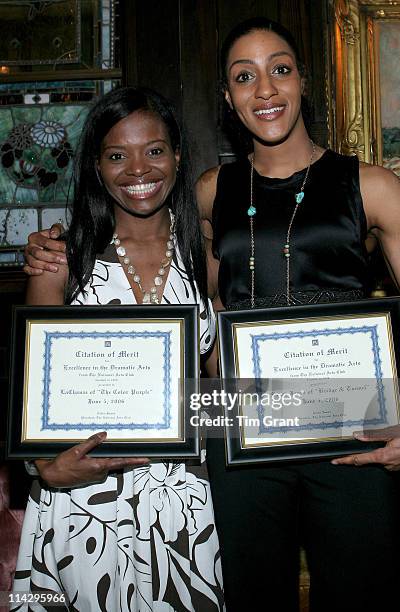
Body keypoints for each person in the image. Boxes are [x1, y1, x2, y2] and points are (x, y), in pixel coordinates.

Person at [22, 17, 400, 611]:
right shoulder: (209, 193)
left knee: (361, 596)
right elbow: (164, 260)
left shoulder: (374, 186)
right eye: (245, 77)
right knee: (250, 595)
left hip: (356, 419)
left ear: (303, 81)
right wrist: (53, 244)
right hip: (241, 430)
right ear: (228, 98)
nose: (265, 90)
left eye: (280, 69)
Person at [14, 86, 223, 612]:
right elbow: (34, 392)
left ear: (177, 155)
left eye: (154, 150)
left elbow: (223, 383)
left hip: (186, 498)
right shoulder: (60, 258)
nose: (138, 169)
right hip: (84, 499)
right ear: (97, 166)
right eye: (116, 155)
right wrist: (44, 468)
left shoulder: (209, 253)